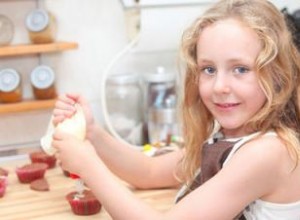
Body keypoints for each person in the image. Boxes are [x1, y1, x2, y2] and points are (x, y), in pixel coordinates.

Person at [51, 0, 300, 219]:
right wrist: (94, 134)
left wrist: (88, 166)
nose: (219, 87)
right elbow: (148, 172)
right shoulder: (228, 138)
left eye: (241, 69)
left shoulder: (268, 153)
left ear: (277, 75)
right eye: (209, 69)